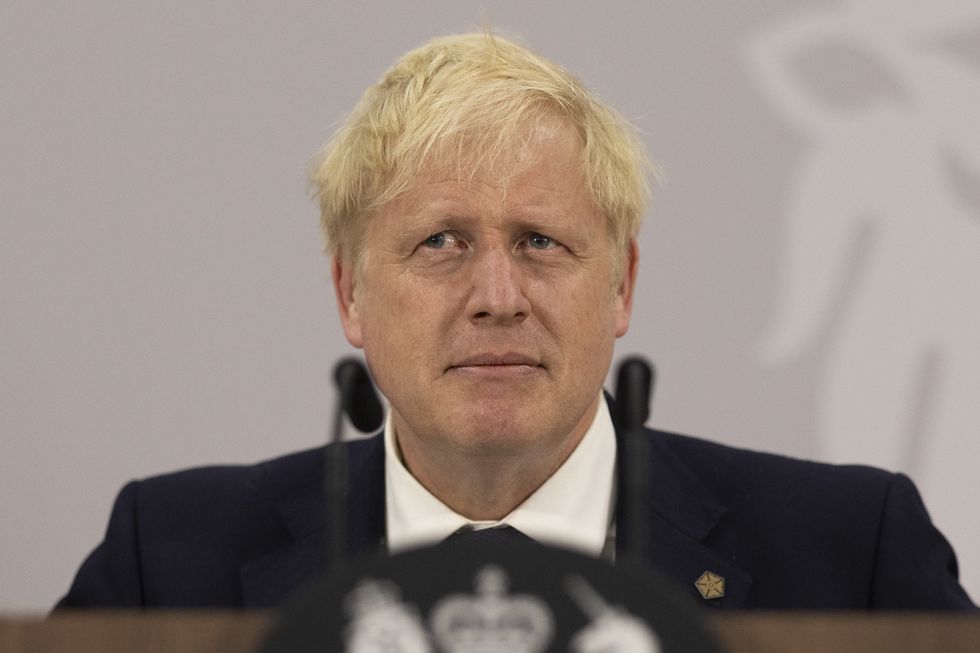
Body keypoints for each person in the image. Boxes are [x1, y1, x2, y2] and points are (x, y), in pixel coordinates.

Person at [58, 32, 973, 610]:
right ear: (349, 294)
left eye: (540, 241)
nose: (498, 294)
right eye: (441, 242)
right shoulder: (166, 562)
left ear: (622, 285)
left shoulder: (851, 554)